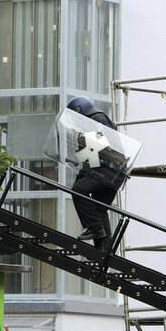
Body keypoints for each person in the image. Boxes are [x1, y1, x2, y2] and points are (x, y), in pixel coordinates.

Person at [67, 96, 119, 251]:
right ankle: (104, 250)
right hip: (111, 173)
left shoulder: (97, 120)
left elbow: (102, 148)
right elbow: (93, 153)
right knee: (98, 209)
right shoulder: (94, 121)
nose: (74, 121)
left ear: (79, 110)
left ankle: (94, 229)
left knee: (79, 190)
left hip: (107, 171)